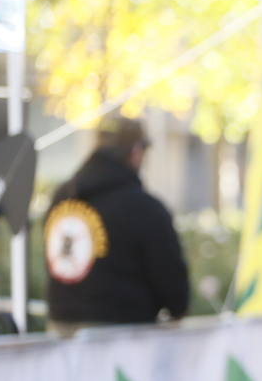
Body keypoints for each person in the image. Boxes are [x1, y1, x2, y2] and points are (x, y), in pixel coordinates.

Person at [43, 114, 189, 335]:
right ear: (136, 151)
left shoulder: (61, 197)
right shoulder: (143, 208)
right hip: (122, 338)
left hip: (60, 332)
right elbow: (175, 291)